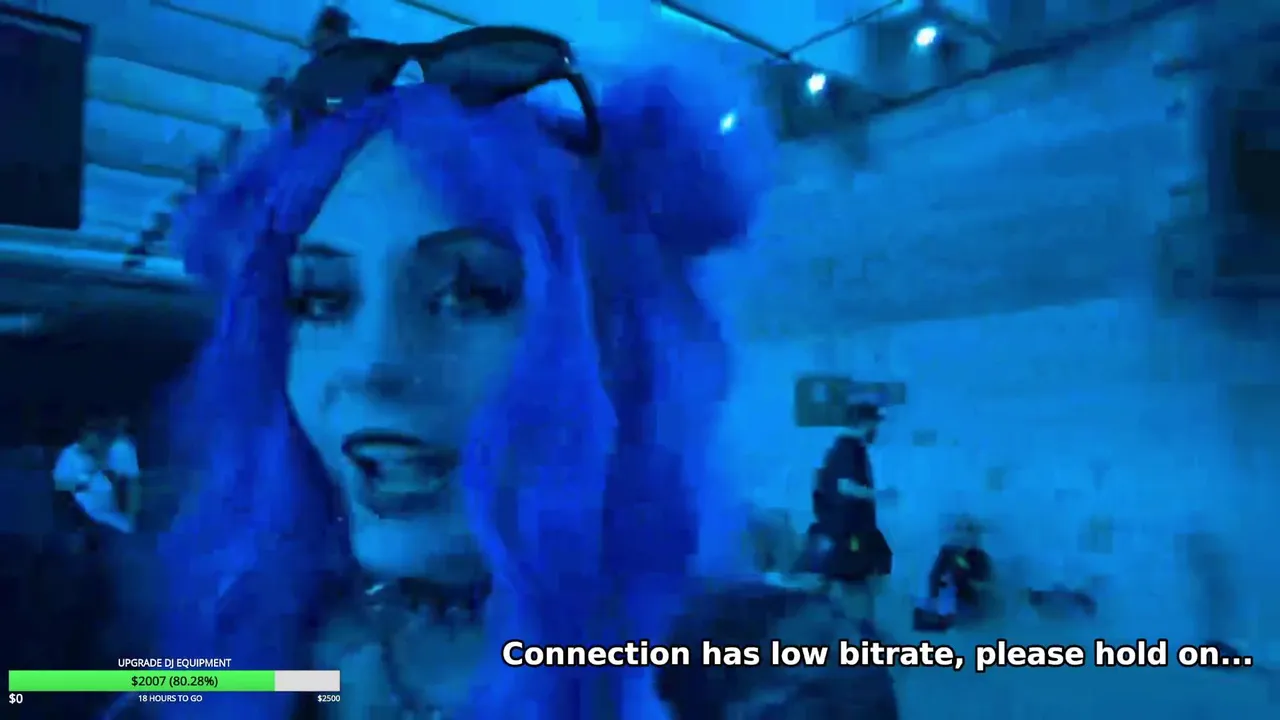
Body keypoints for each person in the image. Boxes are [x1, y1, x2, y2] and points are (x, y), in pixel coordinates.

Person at [137, 16, 894, 720]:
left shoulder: (772, 672)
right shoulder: (253, 633)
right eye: (321, 300)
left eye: (472, 293)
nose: (371, 366)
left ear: (615, 348)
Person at [802, 402, 896, 625]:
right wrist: (880, 495)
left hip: (849, 528)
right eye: (875, 424)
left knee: (864, 572)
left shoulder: (841, 448)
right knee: (858, 576)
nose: (877, 430)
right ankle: (857, 626)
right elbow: (846, 487)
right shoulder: (849, 448)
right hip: (852, 529)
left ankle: (856, 622)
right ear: (866, 423)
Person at [914, 514, 993, 631]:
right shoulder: (947, 553)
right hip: (950, 603)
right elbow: (934, 577)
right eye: (960, 530)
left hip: (968, 604)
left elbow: (985, 582)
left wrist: (970, 581)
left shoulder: (980, 556)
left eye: (968, 531)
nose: (963, 535)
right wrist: (936, 599)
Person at [52, 421, 133, 535]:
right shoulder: (69, 454)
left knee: (127, 526)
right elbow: (59, 484)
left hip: (109, 507)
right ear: (88, 437)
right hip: (89, 511)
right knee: (123, 528)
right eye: (96, 438)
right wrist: (85, 484)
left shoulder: (95, 455)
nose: (98, 441)